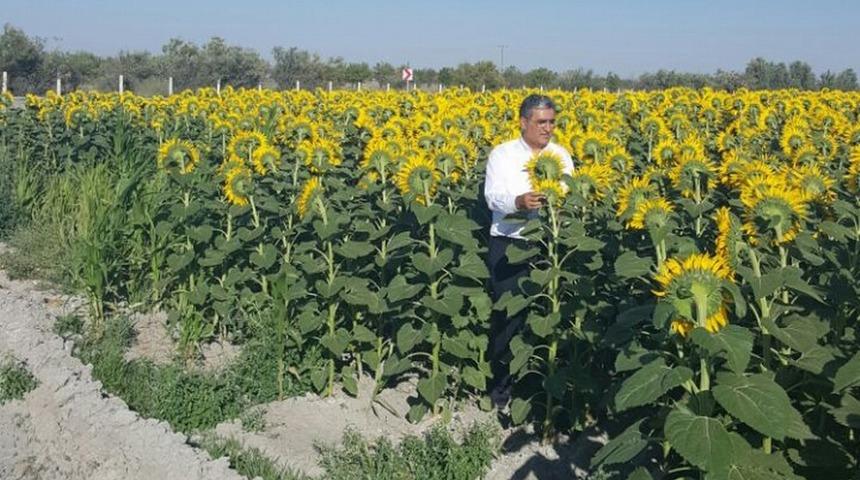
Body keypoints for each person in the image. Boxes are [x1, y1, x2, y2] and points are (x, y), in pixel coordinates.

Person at [483, 94, 574, 408]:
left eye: (551, 122)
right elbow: (492, 197)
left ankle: (540, 389)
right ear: (523, 122)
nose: (547, 128)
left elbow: (569, 195)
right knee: (509, 317)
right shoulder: (503, 154)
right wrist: (518, 202)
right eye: (541, 122)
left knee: (549, 316)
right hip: (510, 243)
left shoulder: (561, 156)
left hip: (550, 246)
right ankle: (501, 390)